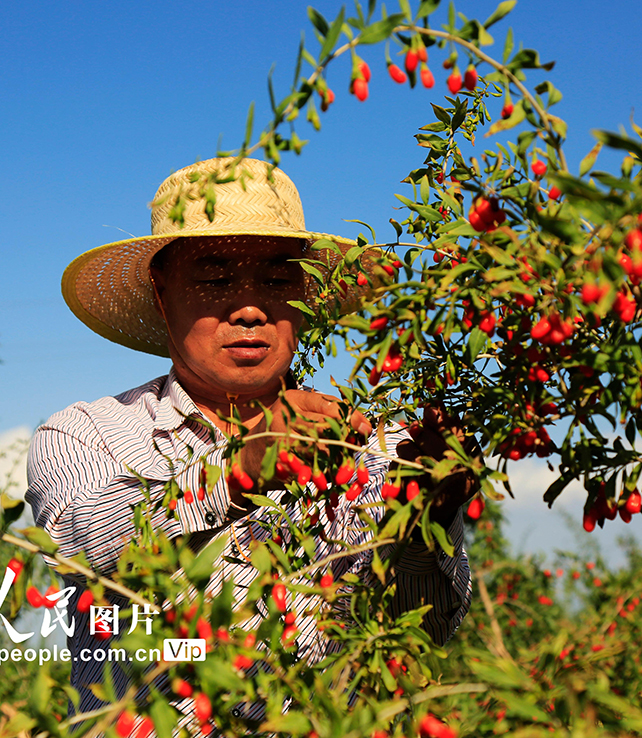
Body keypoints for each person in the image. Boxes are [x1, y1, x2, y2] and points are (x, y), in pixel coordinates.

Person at [25, 157, 474, 726]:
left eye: (277, 280)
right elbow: (85, 544)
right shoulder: (89, 433)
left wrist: (424, 516)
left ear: (305, 297)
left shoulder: (373, 450)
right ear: (163, 298)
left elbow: (420, 636)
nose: (248, 307)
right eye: (215, 279)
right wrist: (236, 469)